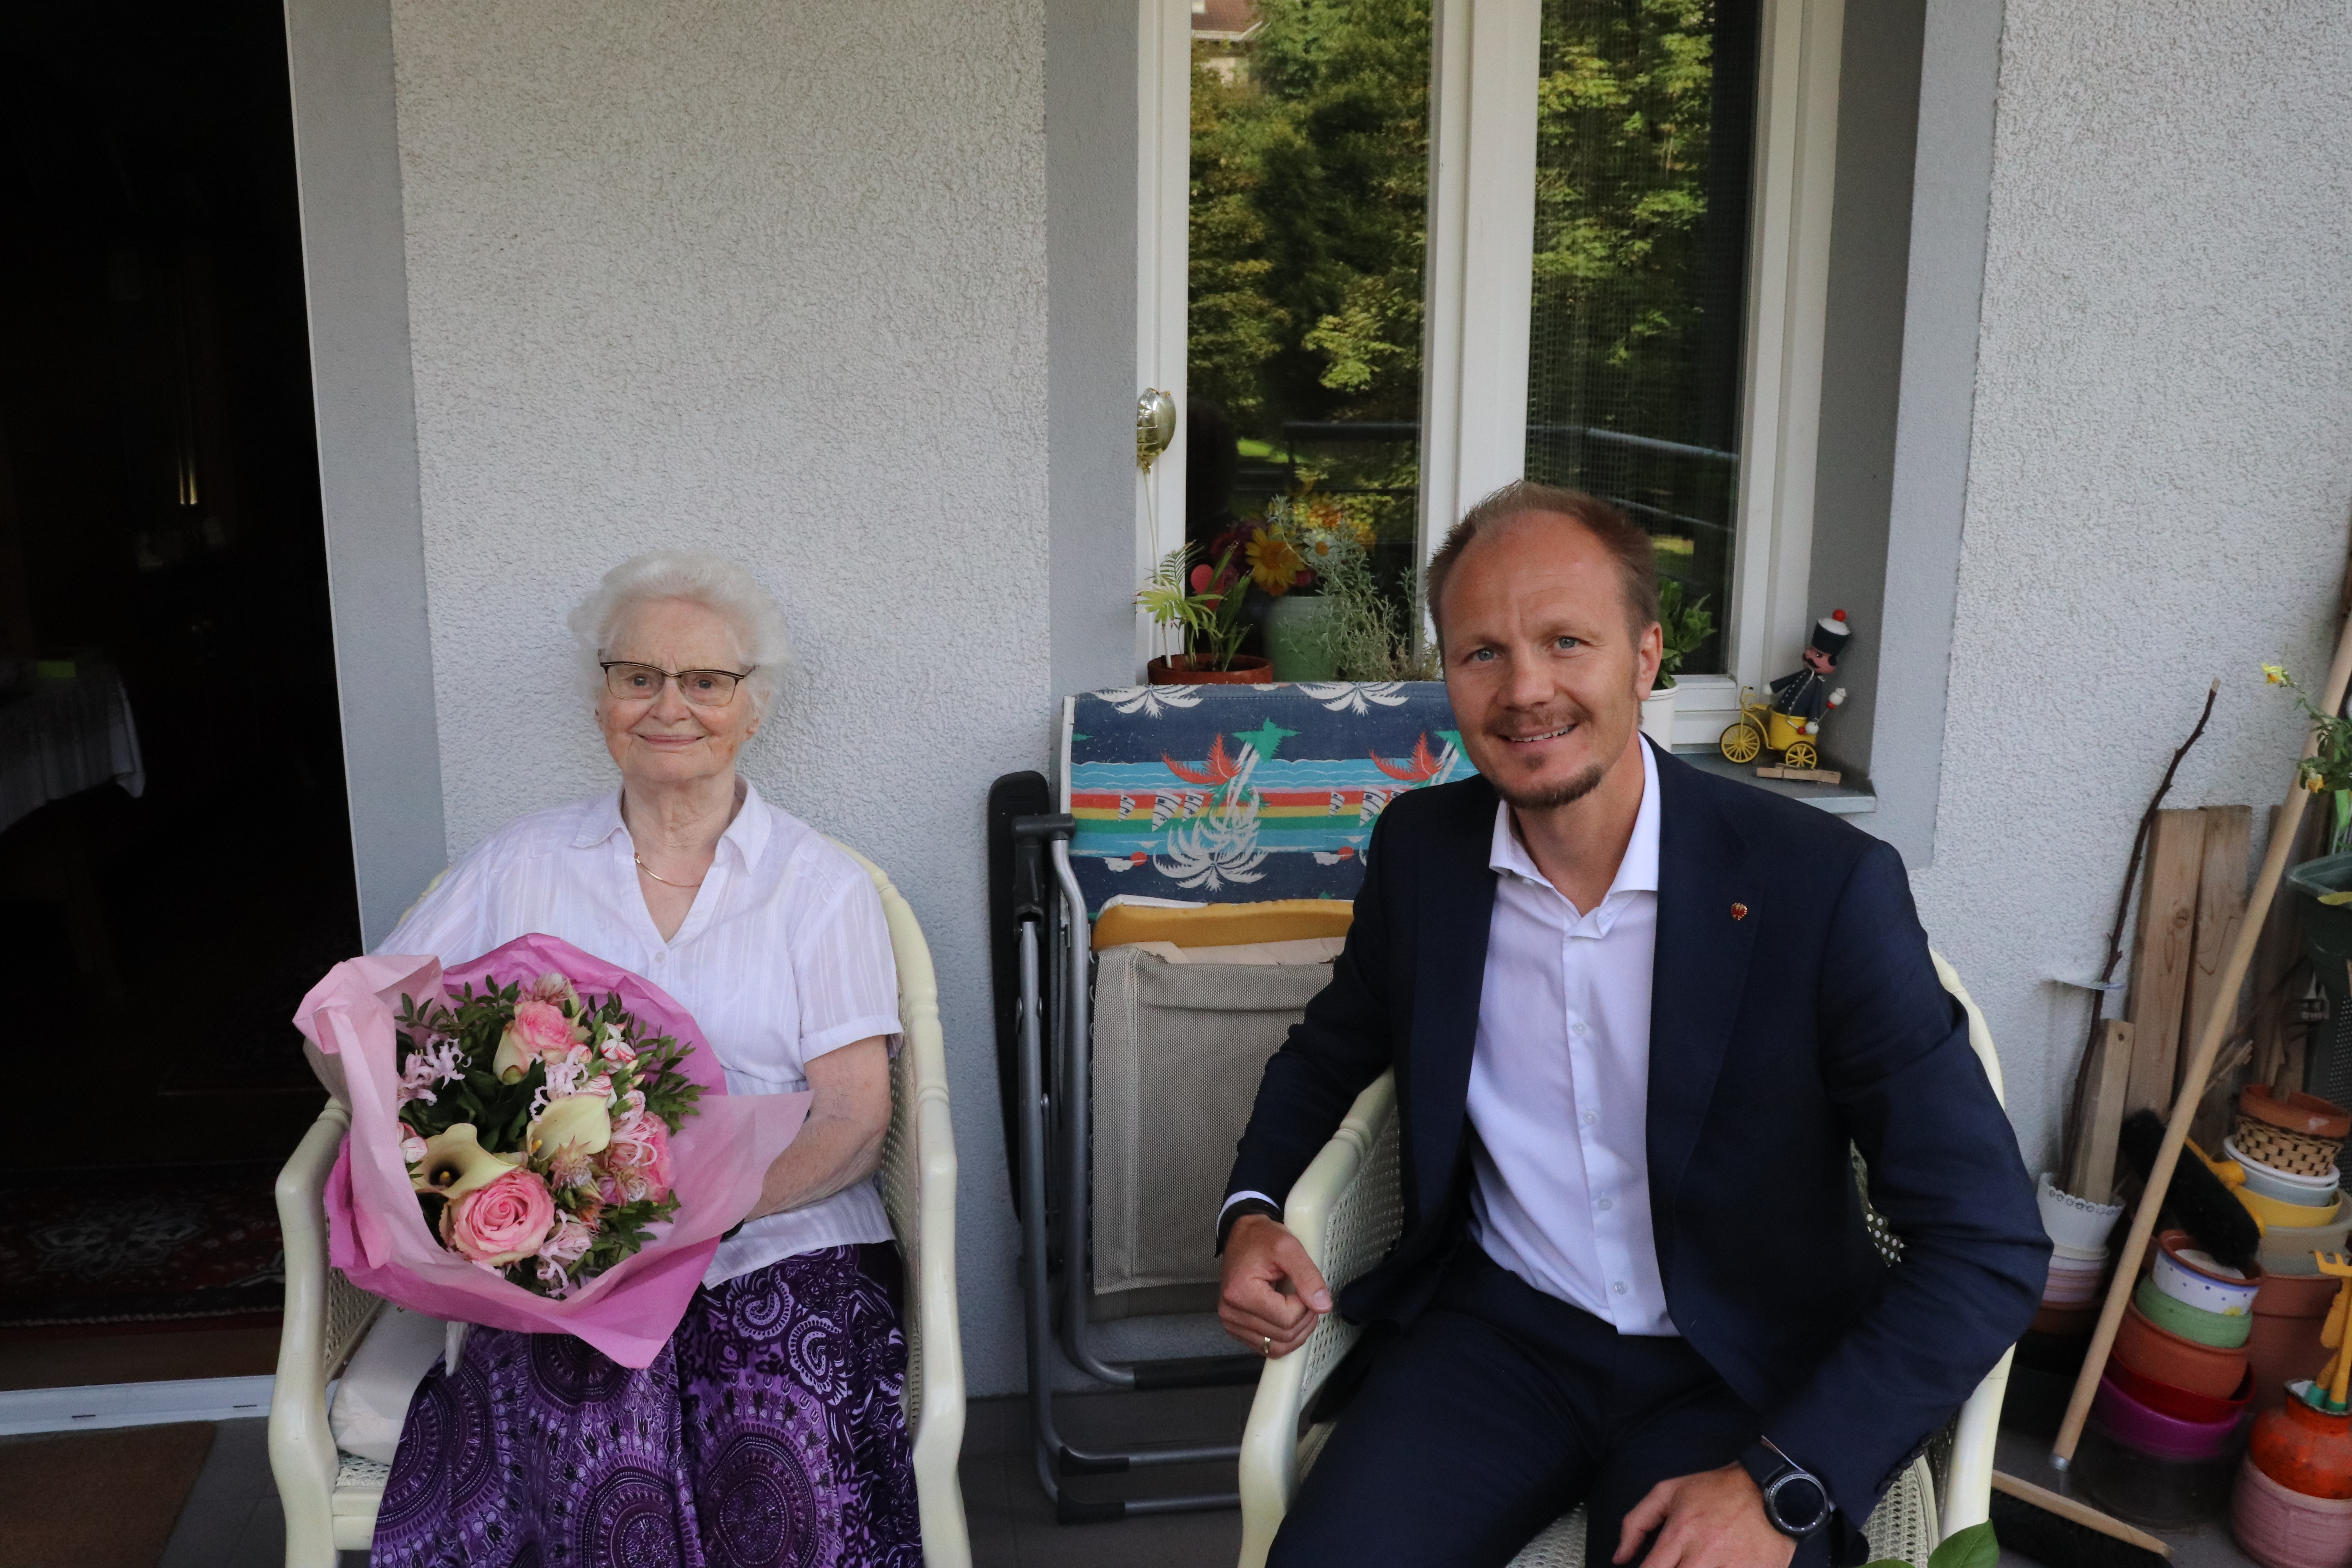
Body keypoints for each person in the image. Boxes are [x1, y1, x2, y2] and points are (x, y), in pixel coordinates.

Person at [1215, 483, 2047, 1568]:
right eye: (1482, 654)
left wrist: (1786, 1475)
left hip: (1748, 1371)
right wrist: (1250, 1211)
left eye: (1568, 641)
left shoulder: (1821, 891)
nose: (1527, 691)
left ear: (1648, 657)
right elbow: (1331, 1052)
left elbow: (1986, 1244)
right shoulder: (1425, 854)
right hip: (1501, 1341)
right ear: (1446, 676)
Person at [370, 550, 919, 1567]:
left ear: (754, 709)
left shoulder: (820, 886)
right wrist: (476, 1175)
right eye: (640, 677)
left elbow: (852, 1120)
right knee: (584, 1434)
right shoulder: (518, 865)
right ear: (602, 701)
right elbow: (374, 1031)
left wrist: (686, 1221)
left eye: (707, 681)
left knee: (778, 1423)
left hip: (781, 1243)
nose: (672, 706)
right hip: (566, 1264)